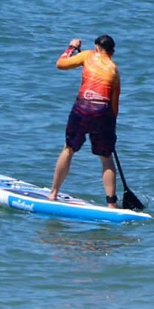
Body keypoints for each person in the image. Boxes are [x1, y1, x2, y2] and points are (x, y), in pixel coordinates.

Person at [49, 34, 120, 205]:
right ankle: (111, 203)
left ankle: (53, 193)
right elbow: (114, 106)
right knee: (106, 156)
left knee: (68, 149)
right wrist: (110, 129)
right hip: (103, 112)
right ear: (113, 52)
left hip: (82, 108)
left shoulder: (88, 55)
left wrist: (72, 47)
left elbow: (60, 64)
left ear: (97, 47)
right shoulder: (114, 70)